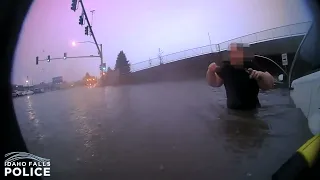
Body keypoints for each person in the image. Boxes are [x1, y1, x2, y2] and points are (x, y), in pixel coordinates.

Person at [206, 43, 274, 110]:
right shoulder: (226, 67)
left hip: (252, 110)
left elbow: (269, 85)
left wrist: (261, 75)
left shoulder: (252, 65)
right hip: (232, 111)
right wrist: (210, 71)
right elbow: (215, 83)